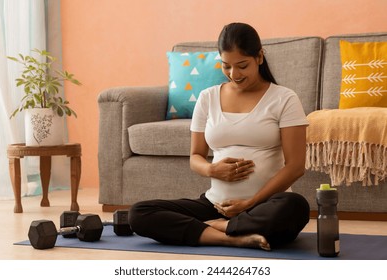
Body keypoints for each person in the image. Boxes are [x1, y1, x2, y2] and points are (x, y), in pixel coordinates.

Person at [128, 22, 310, 250]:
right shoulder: (208, 97)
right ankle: (232, 235)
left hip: (266, 204)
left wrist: (250, 203)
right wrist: (211, 169)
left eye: (242, 66)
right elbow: (196, 155)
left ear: (260, 57)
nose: (234, 74)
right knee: (139, 213)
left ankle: (215, 227)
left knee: (295, 206)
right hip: (215, 205)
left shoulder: (284, 98)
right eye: (227, 66)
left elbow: (296, 166)